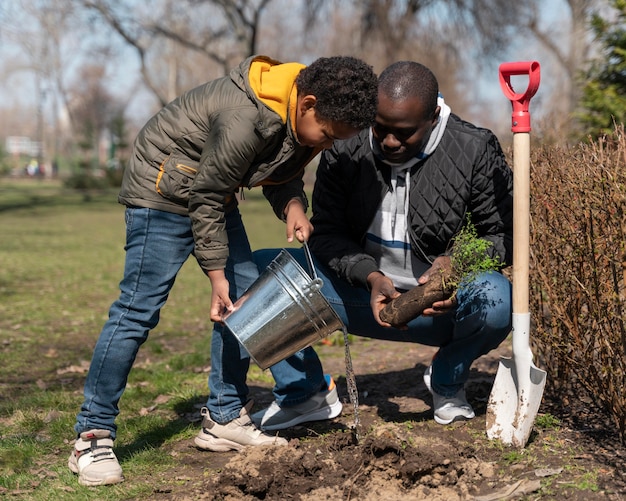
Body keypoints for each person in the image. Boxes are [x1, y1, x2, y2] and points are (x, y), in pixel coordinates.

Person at [68, 54, 378, 487]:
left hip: (209, 191)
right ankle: (92, 436)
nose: (325, 146)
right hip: (162, 190)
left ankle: (224, 417)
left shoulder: (299, 113)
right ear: (307, 104)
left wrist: (292, 207)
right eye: (326, 136)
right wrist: (217, 277)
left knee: (247, 301)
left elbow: (281, 169)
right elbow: (207, 196)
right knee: (138, 310)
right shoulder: (245, 116)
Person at [251, 60, 513, 432]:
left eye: (403, 133)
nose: (389, 141)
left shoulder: (474, 148)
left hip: (440, 308)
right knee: (259, 269)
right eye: (380, 128)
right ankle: (302, 393)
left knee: (497, 299)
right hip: (363, 297)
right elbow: (327, 232)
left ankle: (447, 380)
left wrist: (457, 267)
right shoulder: (347, 144)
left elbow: (503, 235)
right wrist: (369, 276)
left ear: (434, 116)